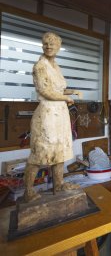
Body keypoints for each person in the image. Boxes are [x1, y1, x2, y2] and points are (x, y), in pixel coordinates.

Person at [23, 32, 82, 202]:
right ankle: (28, 191)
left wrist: (72, 91)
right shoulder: (40, 66)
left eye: (52, 44)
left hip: (60, 113)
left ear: (58, 47)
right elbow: (44, 91)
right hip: (47, 113)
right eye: (46, 44)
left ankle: (58, 184)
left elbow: (57, 89)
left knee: (60, 150)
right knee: (40, 152)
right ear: (42, 46)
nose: (49, 47)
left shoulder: (55, 66)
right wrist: (66, 98)